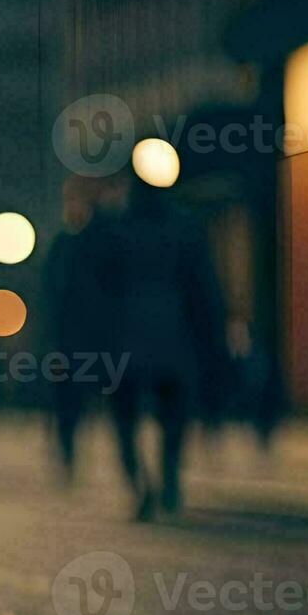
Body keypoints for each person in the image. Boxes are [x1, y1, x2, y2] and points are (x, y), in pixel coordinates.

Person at [91, 176, 227, 520]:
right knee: (171, 416)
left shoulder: (112, 228)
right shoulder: (182, 226)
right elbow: (204, 289)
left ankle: (145, 485)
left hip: (127, 340)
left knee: (127, 418)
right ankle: (165, 480)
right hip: (170, 338)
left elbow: (94, 289)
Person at [42, 176, 103, 483]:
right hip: (67, 342)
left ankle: (70, 453)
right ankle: (68, 453)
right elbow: (49, 297)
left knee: (83, 397)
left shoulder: (96, 240)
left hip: (91, 339)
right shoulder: (62, 244)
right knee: (67, 401)